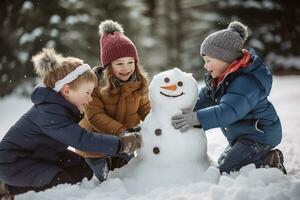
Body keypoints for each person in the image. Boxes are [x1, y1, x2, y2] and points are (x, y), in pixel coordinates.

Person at [0, 48, 141, 198]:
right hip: (14, 164)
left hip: (42, 155)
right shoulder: (49, 112)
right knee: (60, 182)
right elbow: (82, 139)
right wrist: (121, 144)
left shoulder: (62, 108)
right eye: (87, 92)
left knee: (82, 170)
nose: (90, 99)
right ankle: (7, 188)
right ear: (67, 90)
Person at [171, 21, 287, 174]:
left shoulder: (245, 83)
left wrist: (196, 118)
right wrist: (183, 107)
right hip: (244, 134)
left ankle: (270, 160)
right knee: (223, 161)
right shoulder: (223, 79)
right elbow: (204, 97)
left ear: (224, 58)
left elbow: (227, 111)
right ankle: (256, 158)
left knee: (227, 169)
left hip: (260, 135)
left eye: (208, 61)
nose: (205, 66)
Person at [75, 20, 150, 181]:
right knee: (102, 179)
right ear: (108, 65)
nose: (126, 68)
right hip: (95, 145)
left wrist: (159, 122)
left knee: (130, 176)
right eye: (119, 63)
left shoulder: (138, 83)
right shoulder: (93, 83)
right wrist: (122, 131)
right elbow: (94, 115)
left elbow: (146, 109)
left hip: (124, 145)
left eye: (131, 62)